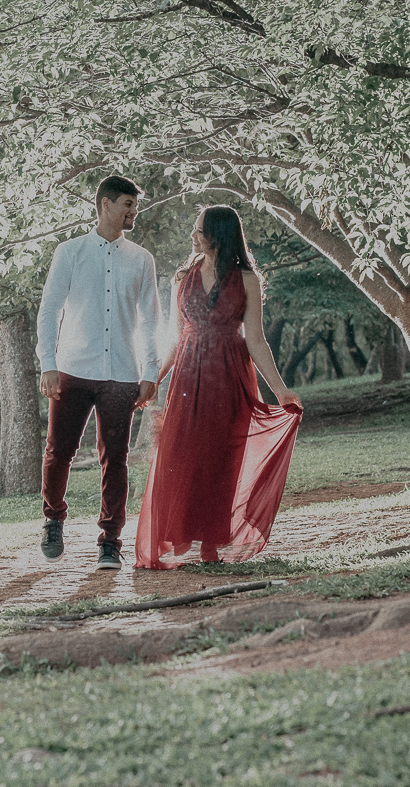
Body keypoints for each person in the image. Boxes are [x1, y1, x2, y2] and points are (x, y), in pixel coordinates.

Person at [135, 205, 303, 569]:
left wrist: (280, 390)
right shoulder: (183, 277)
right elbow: (175, 340)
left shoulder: (247, 281)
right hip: (187, 377)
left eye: (199, 230)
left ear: (218, 235)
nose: (192, 236)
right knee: (178, 458)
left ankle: (212, 544)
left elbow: (256, 339)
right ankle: (176, 536)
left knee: (223, 459)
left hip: (230, 376)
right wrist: (153, 381)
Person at [36, 175, 160, 571]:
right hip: (72, 370)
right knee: (59, 452)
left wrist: (151, 370)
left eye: (134, 204)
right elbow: (49, 310)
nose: (133, 210)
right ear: (105, 204)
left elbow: (151, 320)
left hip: (122, 373)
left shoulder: (141, 259)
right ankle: (53, 518)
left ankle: (110, 541)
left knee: (116, 459)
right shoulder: (69, 252)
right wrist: (48, 364)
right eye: (127, 203)